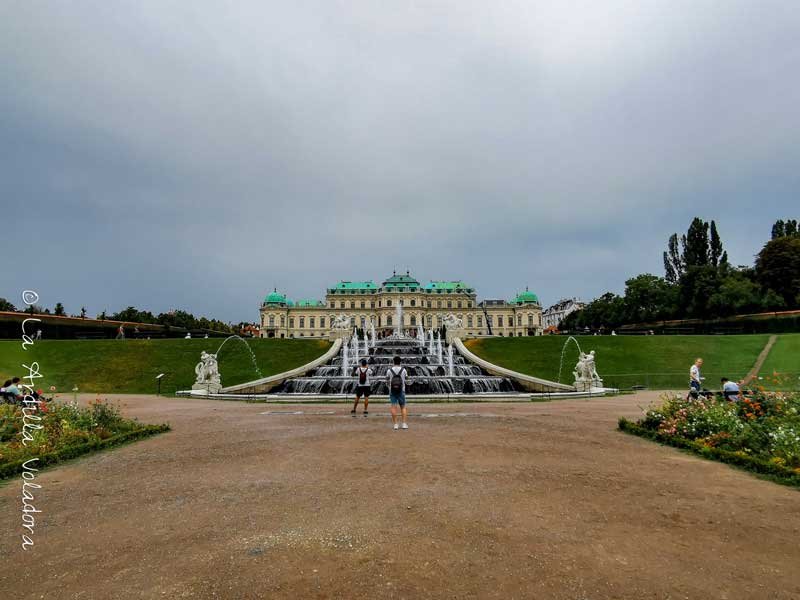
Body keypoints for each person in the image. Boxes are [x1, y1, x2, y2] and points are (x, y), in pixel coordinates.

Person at [387, 355, 408, 430]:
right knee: (403, 407)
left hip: (392, 391)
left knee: (393, 407)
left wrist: (389, 386)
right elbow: (406, 379)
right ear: (400, 362)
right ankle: (404, 424)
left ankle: (395, 424)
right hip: (401, 390)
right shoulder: (404, 370)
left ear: (393, 362)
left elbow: (387, 380)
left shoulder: (389, 370)